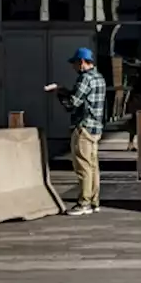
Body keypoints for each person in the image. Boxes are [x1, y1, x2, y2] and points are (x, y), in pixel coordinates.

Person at [46, 47, 105, 216]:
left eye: (74, 63)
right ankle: (94, 201)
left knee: (83, 166)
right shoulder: (99, 78)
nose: (73, 67)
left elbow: (73, 103)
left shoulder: (84, 79)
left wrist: (59, 93)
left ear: (82, 62)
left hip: (84, 127)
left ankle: (83, 203)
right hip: (96, 128)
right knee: (93, 166)